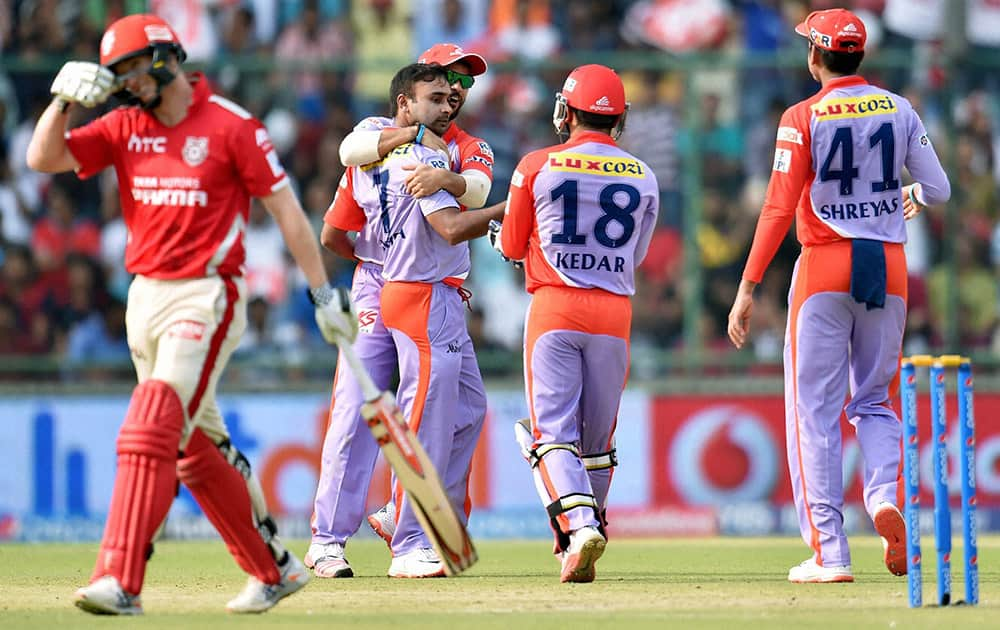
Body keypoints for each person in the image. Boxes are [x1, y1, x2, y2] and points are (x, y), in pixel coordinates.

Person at [25, 14, 358, 615]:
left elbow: (285, 211)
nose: (126, 83)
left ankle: (120, 579)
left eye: (132, 67)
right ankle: (274, 567)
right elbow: (42, 159)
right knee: (192, 446)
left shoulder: (231, 125)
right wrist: (60, 102)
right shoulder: (125, 123)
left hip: (208, 295)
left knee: (152, 421)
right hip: (143, 298)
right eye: (117, 73)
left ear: (164, 57)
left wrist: (320, 293)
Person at [726, 8, 950, 584]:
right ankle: (881, 496)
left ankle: (830, 551)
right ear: (860, 56)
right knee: (874, 401)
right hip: (889, 268)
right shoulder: (899, 108)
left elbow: (777, 209)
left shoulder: (802, 115)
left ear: (815, 57)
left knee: (814, 414)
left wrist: (748, 287)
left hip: (824, 265)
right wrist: (912, 201)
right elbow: (938, 187)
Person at [306, 43, 493, 578]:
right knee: (366, 409)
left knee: (463, 411)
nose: (456, 92)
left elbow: (476, 187)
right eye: (447, 81)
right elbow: (336, 223)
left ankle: (398, 518)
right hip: (395, 287)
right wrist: (379, 262)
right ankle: (348, 539)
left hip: (414, 289)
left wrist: (446, 181)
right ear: (413, 93)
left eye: (465, 83)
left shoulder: (465, 144)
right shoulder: (385, 140)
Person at [495, 64, 659, 583]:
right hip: (614, 312)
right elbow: (636, 255)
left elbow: (510, 245)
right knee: (598, 441)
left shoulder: (537, 164)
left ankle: (580, 526)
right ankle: (582, 537)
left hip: (556, 307)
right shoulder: (644, 175)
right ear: (621, 119)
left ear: (565, 112)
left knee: (549, 436)